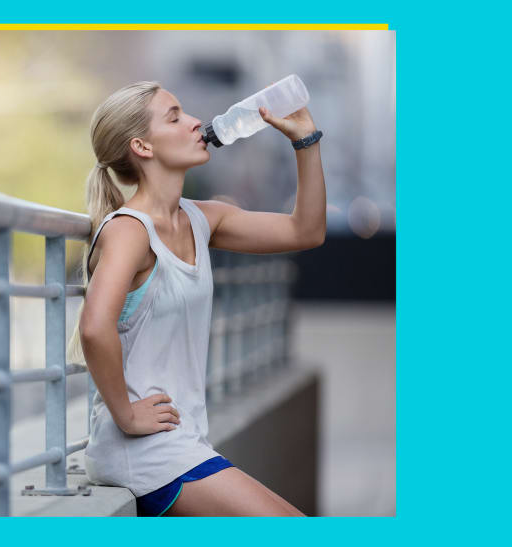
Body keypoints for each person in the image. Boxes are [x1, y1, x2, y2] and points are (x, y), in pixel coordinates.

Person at [73, 81, 325, 516]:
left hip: (184, 443)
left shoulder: (202, 218)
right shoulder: (129, 231)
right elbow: (94, 328)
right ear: (142, 146)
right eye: (174, 117)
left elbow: (306, 231)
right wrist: (127, 415)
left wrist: (304, 138)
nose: (195, 123)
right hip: (146, 454)